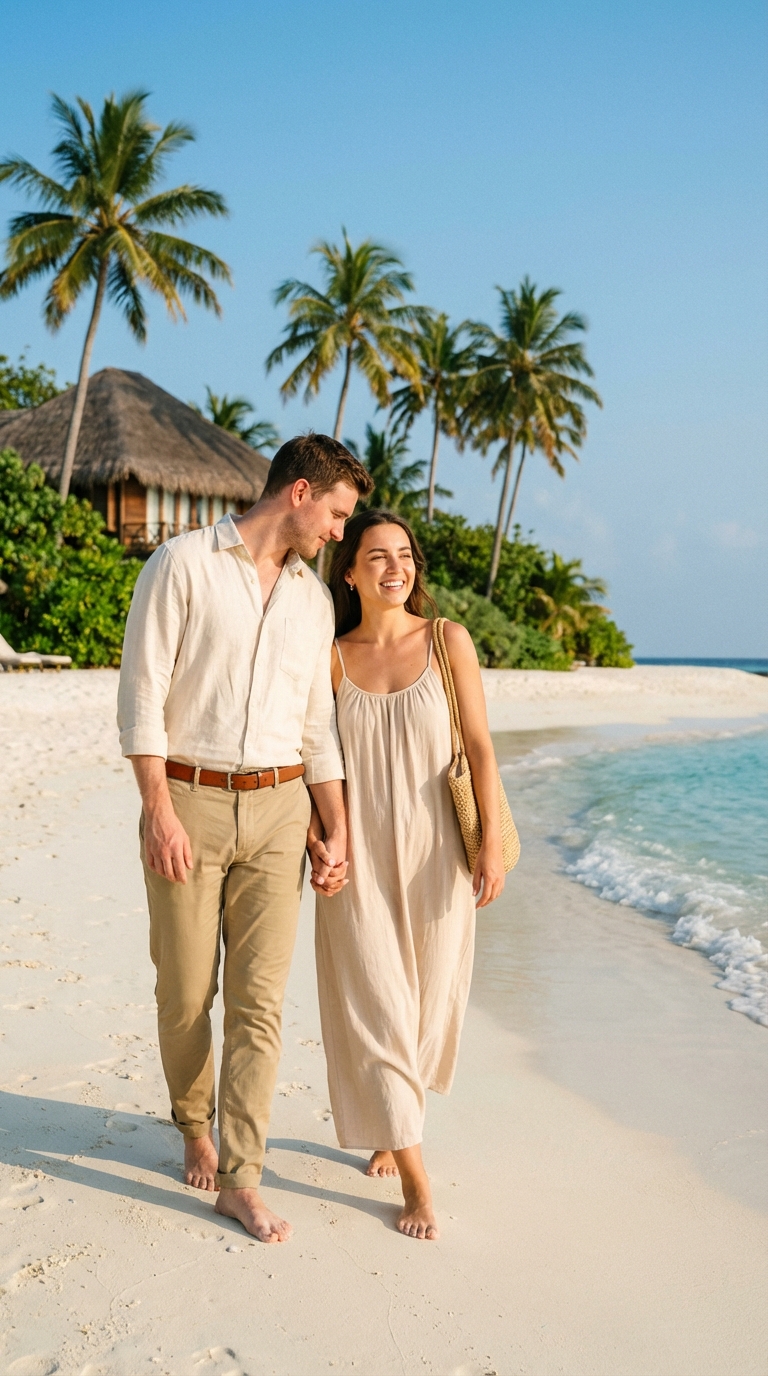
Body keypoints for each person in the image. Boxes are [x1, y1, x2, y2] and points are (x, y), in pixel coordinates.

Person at [117, 434, 373, 1243]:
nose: (339, 533)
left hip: (278, 811)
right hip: (188, 798)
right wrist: (156, 807)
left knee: (260, 1005)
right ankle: (193, 1120)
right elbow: (142, 694)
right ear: (299, 493)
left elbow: (316, 729)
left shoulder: (314, 602)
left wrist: (336, 831)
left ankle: (242, 1175)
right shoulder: (182, 564)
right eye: (335, 514)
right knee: (187, 992)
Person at [311, 510, 505, 1241]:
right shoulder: (330, 659)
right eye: (376, 556)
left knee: (427, 1007)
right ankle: (419, 1183)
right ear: (351, 571)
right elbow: (309, 765)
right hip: (358, 861)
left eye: (404, 555)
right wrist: (316, 842)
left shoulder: (449, 640)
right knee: (378, 1008)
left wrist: (487, 844)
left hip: (439, 856)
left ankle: (395, 1125)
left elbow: (480, 749)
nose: (395, 567)